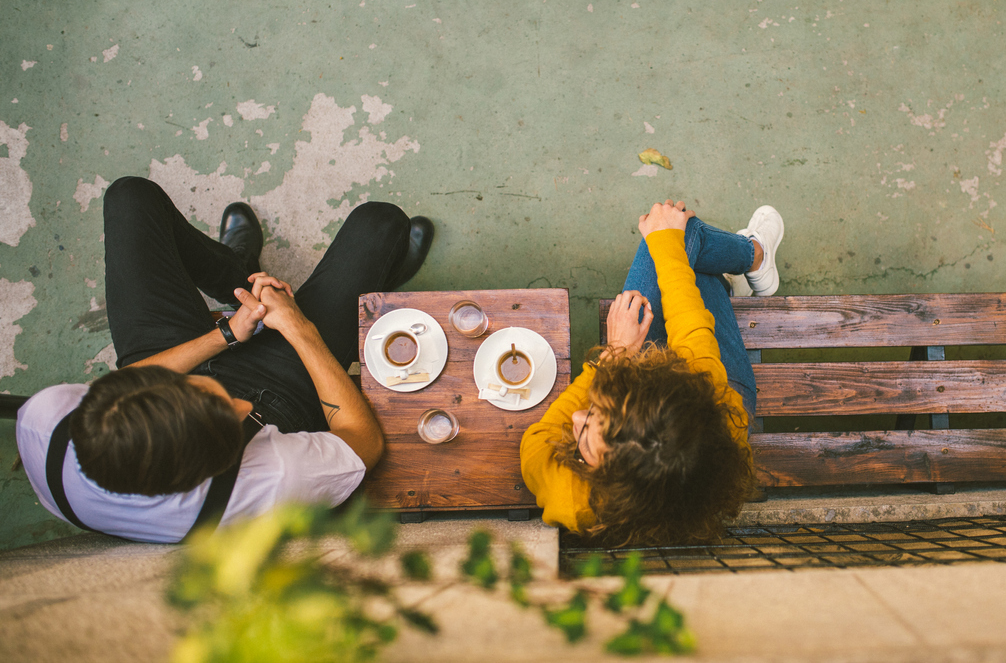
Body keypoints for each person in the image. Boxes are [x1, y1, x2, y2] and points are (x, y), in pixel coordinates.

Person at [15, 177, 434, 543]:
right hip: (280, 397)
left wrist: (228, 333)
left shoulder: (44, 421)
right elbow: (363, 441)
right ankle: (373, 281)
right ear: (213, 465)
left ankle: (237, 274)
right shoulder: (268, 479)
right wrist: (296, 326)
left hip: (175, 353)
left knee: (130, 196)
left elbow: (126, 382)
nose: (241, 404)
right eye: (230, 418)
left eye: (211, 395)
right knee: (380, 223)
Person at [520, 200, 784, 546]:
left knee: (676, 244)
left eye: (585, 435)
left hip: (655, 387)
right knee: (676, 236)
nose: (577, 415)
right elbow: (694, 337)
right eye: (592, 416)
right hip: (723, 394)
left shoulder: (574, 499)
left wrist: (616, 357)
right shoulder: (712, 416)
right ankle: (755, 257)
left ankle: (726, 277)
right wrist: (666, 241)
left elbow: (535, 443)